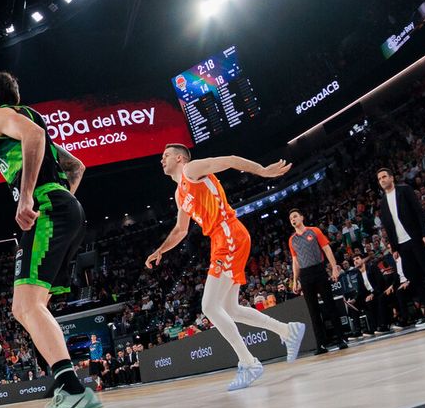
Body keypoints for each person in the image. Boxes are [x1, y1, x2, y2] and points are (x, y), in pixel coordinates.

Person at [0, 71, 102, 408]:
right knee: (35, 306)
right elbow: (77, 166)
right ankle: (66, 391)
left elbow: (34, 136)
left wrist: (29, 195)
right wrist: (65, 197)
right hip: (63, 207)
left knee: (24, 307)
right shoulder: (28, 115)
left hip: (46, 208)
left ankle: (73, 391)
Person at [146, 144, 306, 391]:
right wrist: (160, 251)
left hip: (228, 232)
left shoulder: (192, 169)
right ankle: (287, 331)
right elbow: (180, 230)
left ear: (179, 158)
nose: (161, 160)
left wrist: (263, 171)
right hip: (221, 239)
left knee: (209, 306)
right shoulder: (180, 194)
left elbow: (230, 159)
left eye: (165, 155)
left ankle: (249, 362)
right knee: (230, 308)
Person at [375, 168, 425, 320]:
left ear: (391, 178)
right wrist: (394, 247)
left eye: (384, 177)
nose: (382, 180)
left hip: (416, 238)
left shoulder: (404, 190)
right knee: (414, 278)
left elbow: (419, 212)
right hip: (401, 245)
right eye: (379, 178)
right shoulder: (382, 202)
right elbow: (388, 226)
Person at [288, 210, 346, 352]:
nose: (293, 219)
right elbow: (295, 261)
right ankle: (321, 344)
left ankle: (341, 339)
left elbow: (326, 249)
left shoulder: (314, 231)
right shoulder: (292, 240)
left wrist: (334, 268)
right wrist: (295, 280)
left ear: (302, 217)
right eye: (291, 218)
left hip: (319, 270)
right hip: (305, 276)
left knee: (330, 305)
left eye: (295, 216)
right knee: (313, 311)